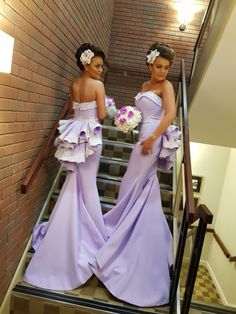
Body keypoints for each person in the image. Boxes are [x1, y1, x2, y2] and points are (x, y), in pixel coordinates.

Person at [90, 42, 180, 307]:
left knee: (134, 182)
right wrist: (127, 118)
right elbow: (142, 113)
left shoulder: (167, 87)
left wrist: (153, 137)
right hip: (143, 137)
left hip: (152, 140)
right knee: (135, 184)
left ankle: (123, 231)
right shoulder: (144, 86)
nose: (163, 72)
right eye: (159, 66)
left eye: (166, 68)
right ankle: (135, 230)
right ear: (150, 64)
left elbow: (171, 113)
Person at [24, 43, 108, 290]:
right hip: (90, 137)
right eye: (97, 65)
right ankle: (94, 235)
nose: (101, 70)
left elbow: (72, 109)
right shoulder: (98, 86)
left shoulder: (74, 83)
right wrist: (104, 105)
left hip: (75, 134)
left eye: (102, 66)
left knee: (74, 182)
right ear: (86, 63)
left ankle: (65, 227)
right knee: (89, 185)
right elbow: (101, 115)